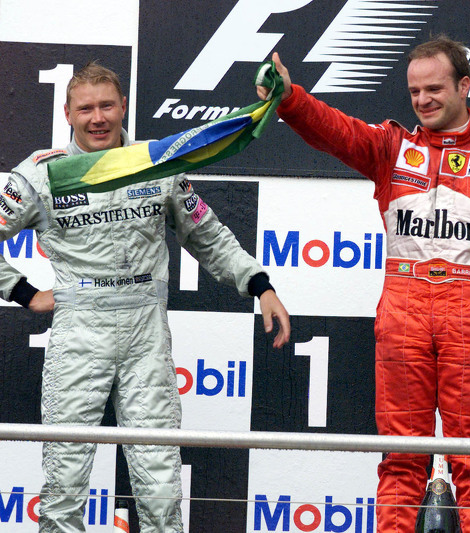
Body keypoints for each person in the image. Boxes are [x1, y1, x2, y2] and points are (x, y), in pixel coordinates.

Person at [260, 36, 470, 532]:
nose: (423, 100)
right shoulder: (393, 147)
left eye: (434, 88)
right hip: (403, 309)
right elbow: (336, 131)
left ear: (464, 86)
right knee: (400, 460)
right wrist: (290, 98)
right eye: (414, 91)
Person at [0, 61, 291, 532]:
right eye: (86, 108)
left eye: (107, 106)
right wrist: (23, 292)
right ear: (68, 113)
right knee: (63, 487)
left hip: (146, 338)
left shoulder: (156, 162)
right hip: (79, 336)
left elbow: (208, 235)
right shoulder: (42, 174)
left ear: (124, 107)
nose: (98, 118)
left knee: (159, 485)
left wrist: (260, 284)